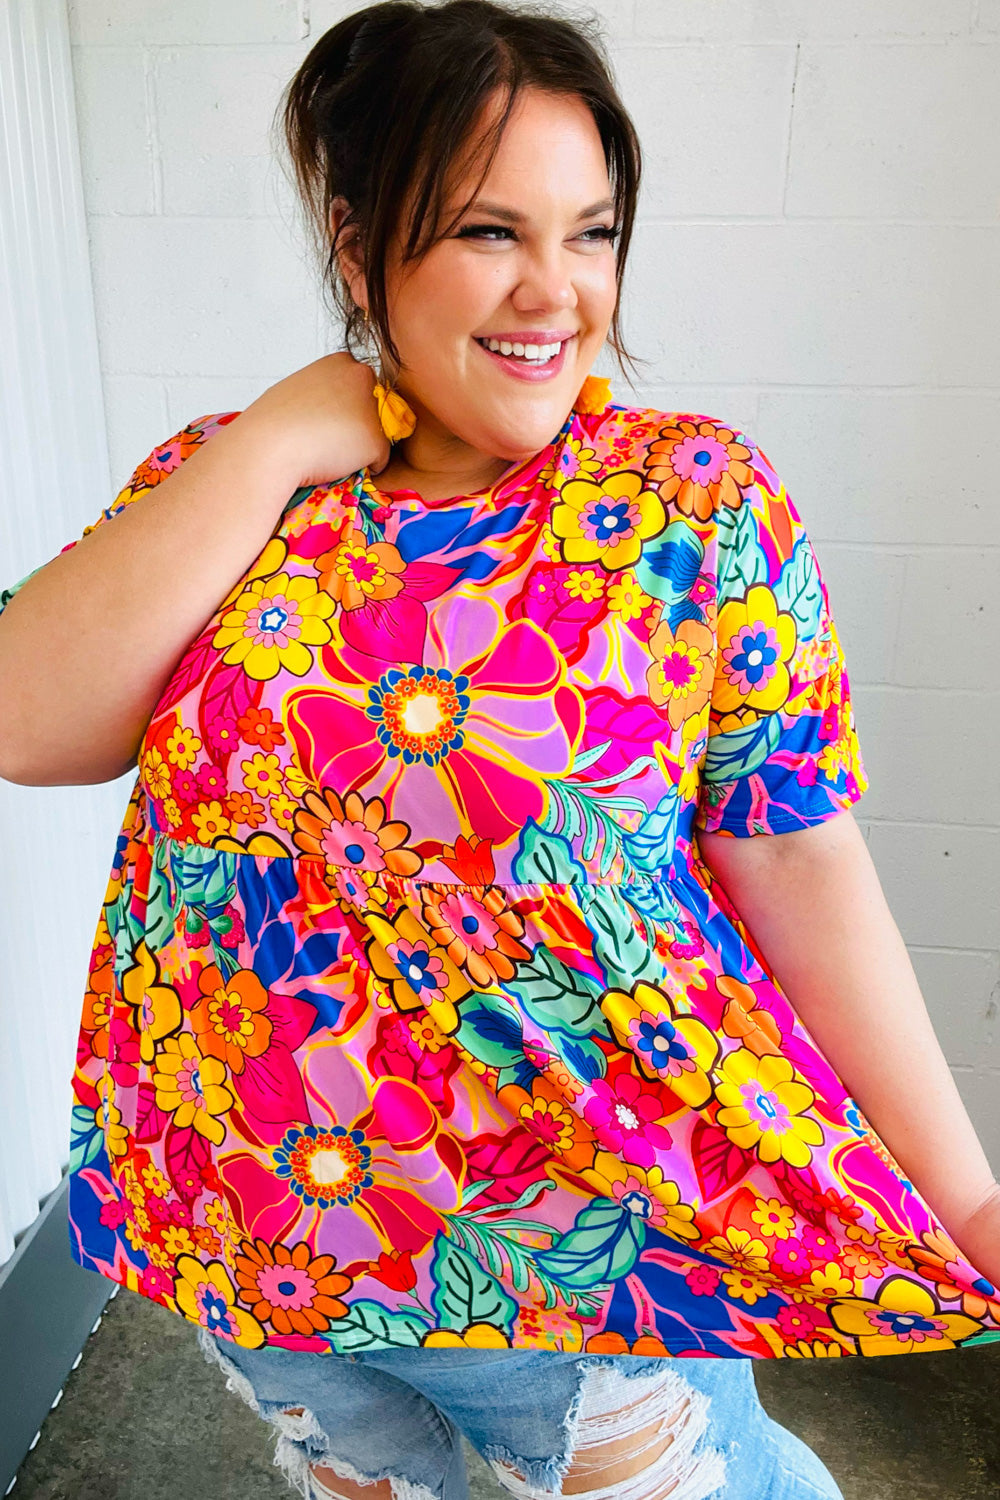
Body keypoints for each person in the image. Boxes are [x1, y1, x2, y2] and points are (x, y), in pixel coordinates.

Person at [1, 2, 998, 1497]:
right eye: (488, 231)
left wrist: (965, 1196)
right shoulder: (223, 480)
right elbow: (28, 720)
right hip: (250, 1229)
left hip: (561, 1257)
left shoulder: (690, 503)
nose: (556, 290)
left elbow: (795, 849)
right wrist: (277, 439)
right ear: (358, 249)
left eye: (591, 234)